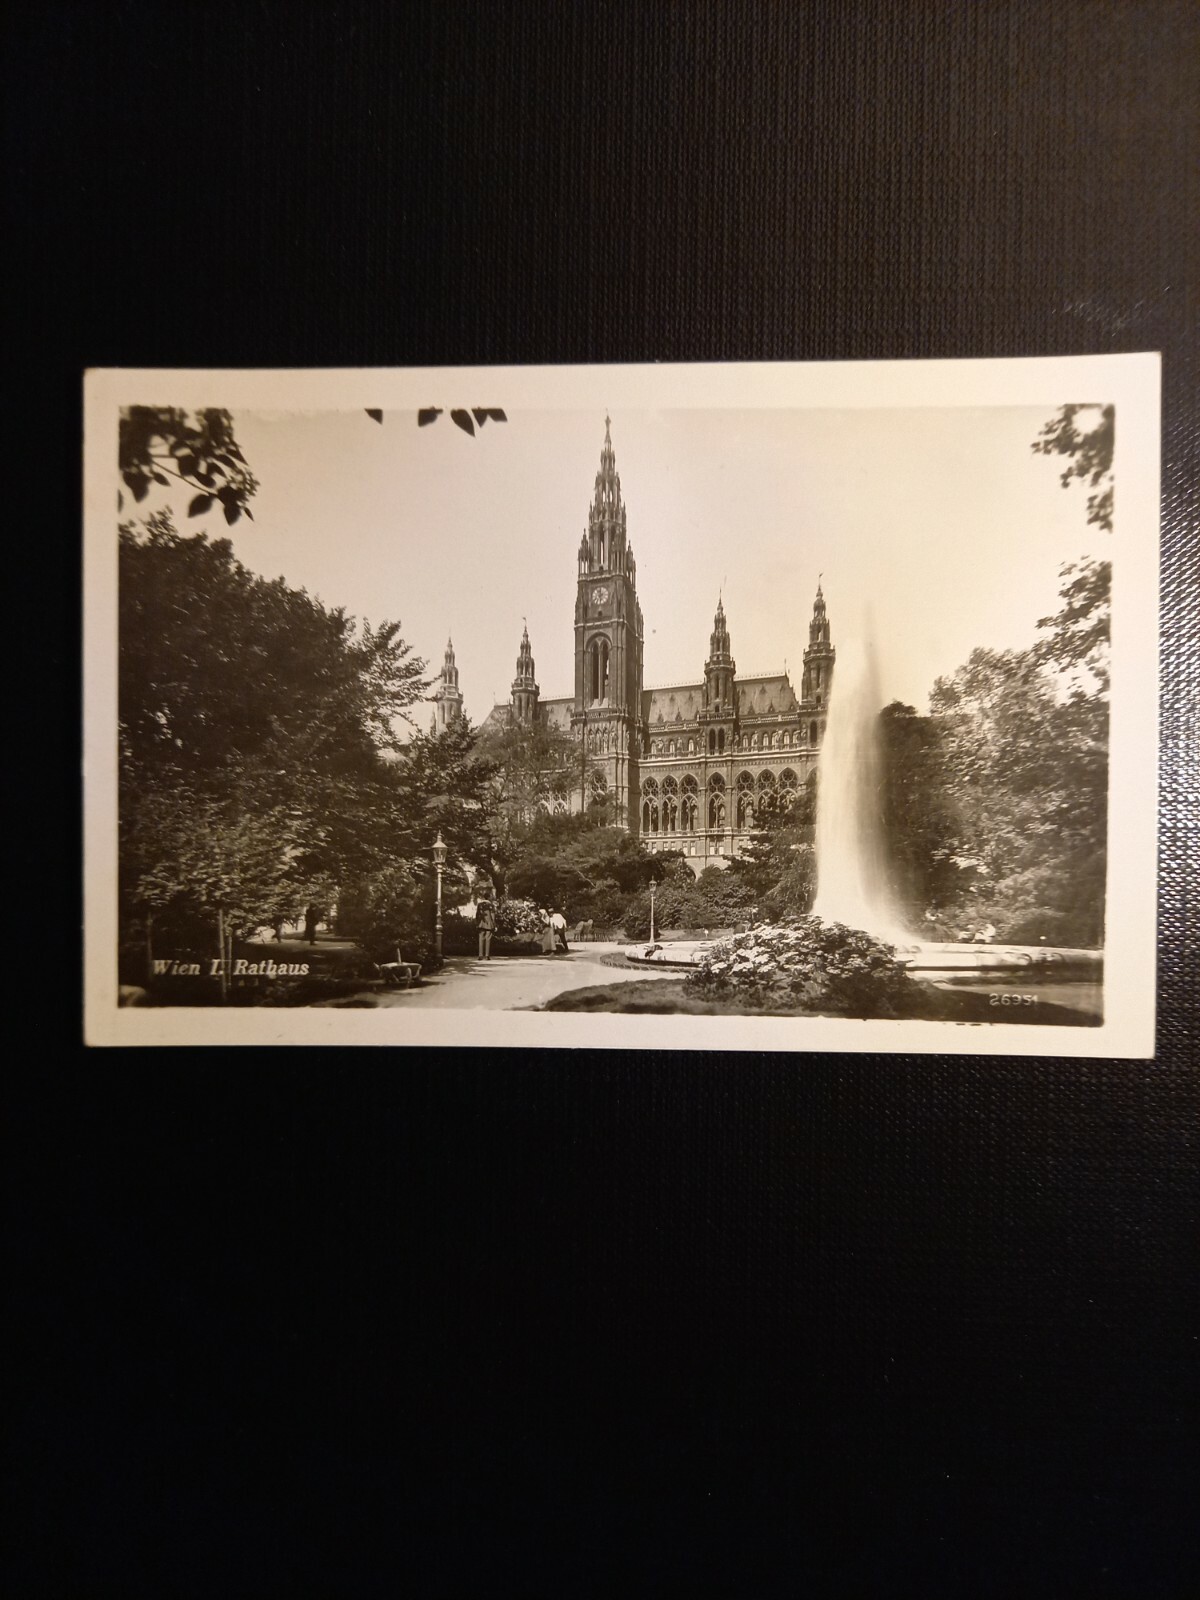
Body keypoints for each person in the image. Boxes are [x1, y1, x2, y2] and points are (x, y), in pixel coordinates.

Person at [476, 892, 496, 960]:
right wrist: (494, 923)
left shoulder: (479, 905)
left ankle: (480, 955)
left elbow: (477, 914)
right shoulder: (491, 905)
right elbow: (493, 915)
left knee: (480, 938)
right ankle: (487, 955)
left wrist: (477, 922)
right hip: (489, 923)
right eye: (491, 896)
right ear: (489, 897)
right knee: (488, 939)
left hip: (481, 923)